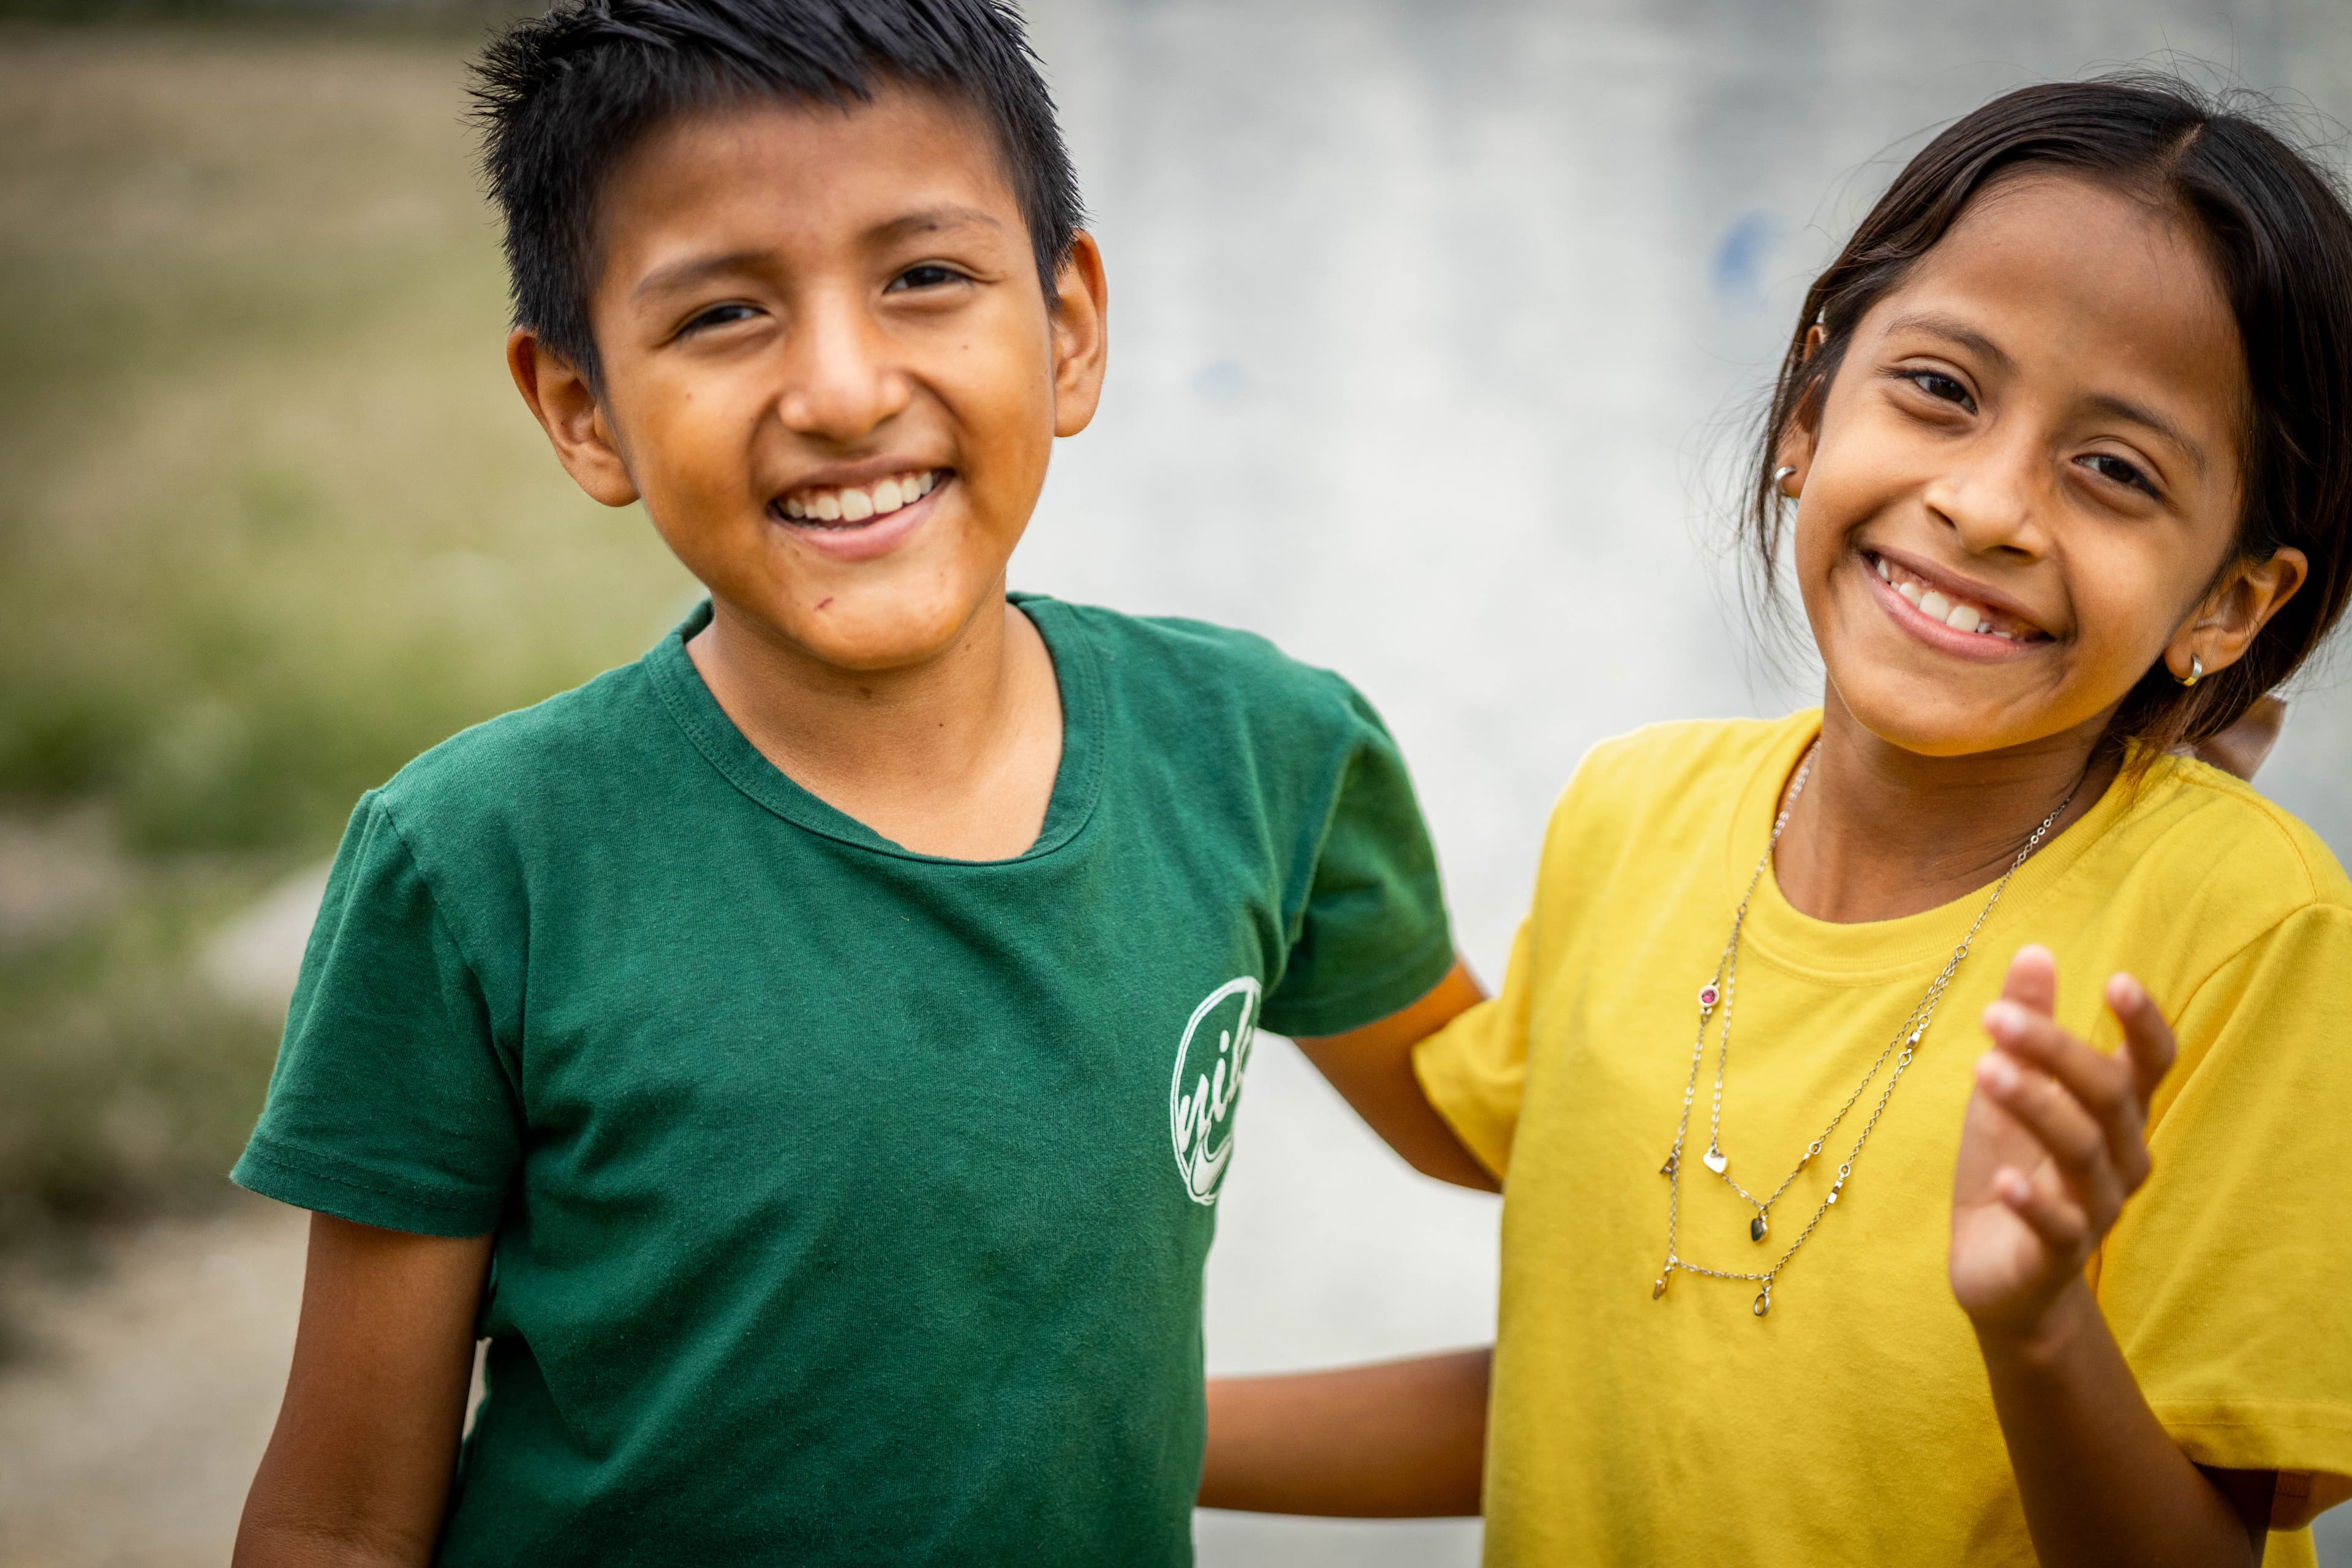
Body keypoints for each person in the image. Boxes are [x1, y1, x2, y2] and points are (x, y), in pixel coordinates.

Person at [227, 2, 1468, 1562]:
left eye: (925, 277)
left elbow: (1529, 1133)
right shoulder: (480, 859)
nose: (840, 387)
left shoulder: (1263, 754)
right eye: (723, 314)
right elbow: (341, 1519)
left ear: (1069, 325)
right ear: (581, 408)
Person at [1202, 76, 2352, 1567]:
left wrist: (2040, 1326)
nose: (1990, 504)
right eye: (1942, 388)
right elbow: (1596, 1384)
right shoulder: (1635, 810)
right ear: (1813, 404)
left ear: (2229, 602)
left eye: (2116, 471)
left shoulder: (2246, 934)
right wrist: (1248, 831)